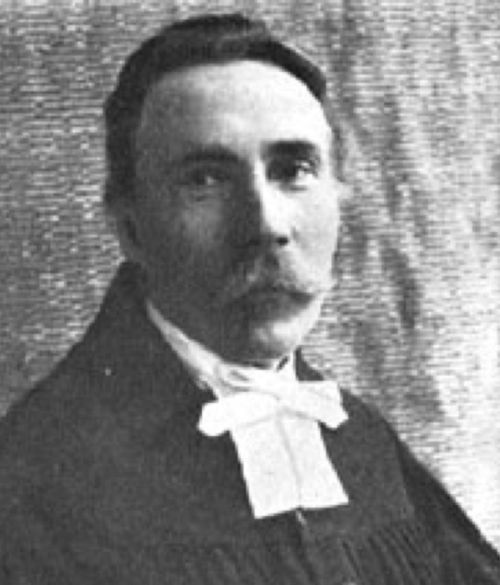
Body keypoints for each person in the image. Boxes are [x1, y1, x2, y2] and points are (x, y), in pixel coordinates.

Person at [0, 12, 499, 585]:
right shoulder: (37, 482)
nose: (266, 225)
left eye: (294, 169)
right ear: (130, 226)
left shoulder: (362, 443)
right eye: (205, 180)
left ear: (338, 198)